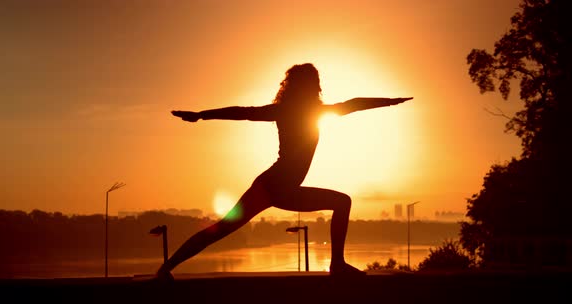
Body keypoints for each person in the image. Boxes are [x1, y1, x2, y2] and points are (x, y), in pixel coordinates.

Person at [159, 63, 412, 278]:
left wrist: (389, 102)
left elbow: (352, 105)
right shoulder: (295, 111)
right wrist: (202, 115)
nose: (316, 86)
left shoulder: (307, 111)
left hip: (282, 188)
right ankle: (166, 268)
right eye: (313, 82)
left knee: (341, 202)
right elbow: (242, 113)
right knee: (222, 228)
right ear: (309, 86)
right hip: (273, 186)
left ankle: (337, 264)